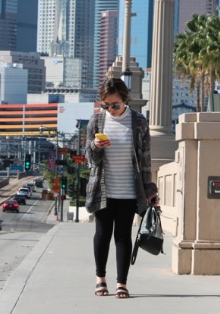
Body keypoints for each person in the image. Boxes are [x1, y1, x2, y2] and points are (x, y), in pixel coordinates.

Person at [85, 77, 158, 299]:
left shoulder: (139, 122)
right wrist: (95, 147)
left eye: (115, 105)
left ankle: (121, 283)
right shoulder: (96, 122)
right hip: (103, 188)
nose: (111, 110)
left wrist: (150, 190)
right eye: (105, 105)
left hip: (129, 190)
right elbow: (90, 160)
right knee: (102, 234)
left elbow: (145, 160)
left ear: (125, 100)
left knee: (123, 236)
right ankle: (100, 279)